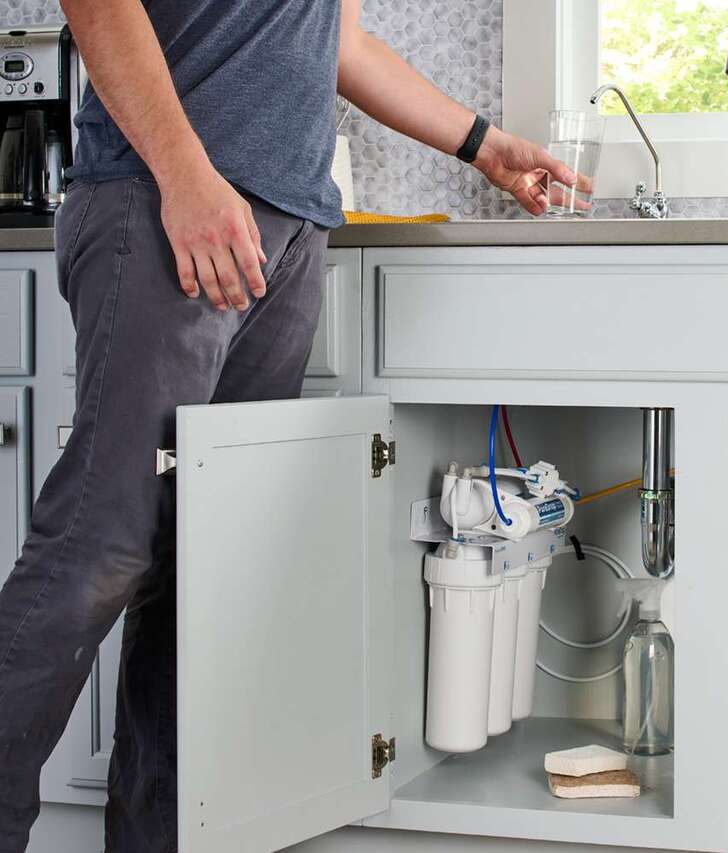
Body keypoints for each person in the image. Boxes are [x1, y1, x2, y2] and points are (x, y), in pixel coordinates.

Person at [0, 1, 575, 850]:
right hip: (168, 208)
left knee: (202, 571)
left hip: (284, 232)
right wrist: (186, 175)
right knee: (102, 545)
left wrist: (483, 145)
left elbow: (342, 43)